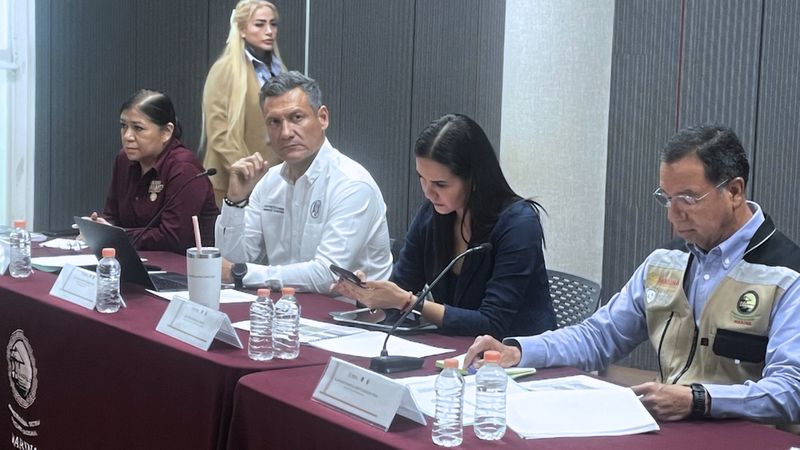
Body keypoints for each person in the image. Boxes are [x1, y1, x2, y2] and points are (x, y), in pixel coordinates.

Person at [464, 124, 800, 424]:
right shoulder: (666, 262)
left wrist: (700, 399)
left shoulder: (786, 276)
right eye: (666, 199)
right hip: (669, 430)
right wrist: (518, 351)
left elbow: (789, 390)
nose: (674, 215)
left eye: (687, 198)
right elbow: (599, 336)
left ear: (735, 191)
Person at [333, 114, 557, 339]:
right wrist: (371, 293)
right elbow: (402, 286)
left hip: (519, 358)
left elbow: (492, 323)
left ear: (474, 178)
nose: (428, 193)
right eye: (422, 178)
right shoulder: (432, 215)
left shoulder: (519, 224)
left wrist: (408, 302)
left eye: (440, 184)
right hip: (456, 350)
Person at [216, 71, 392, 293]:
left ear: (323, 118)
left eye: (296, 118)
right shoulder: (269, 181)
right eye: (274, 122)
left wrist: (241, 273)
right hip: (287, 309)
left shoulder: (352, 184)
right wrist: (235, 202)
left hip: (350, 318)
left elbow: (327, 275)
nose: (286, 132)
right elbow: (230, 263)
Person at [92, 89, 219, 254]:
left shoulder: (184, 168)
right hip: (137, 259)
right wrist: (98, 228)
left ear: (166, 132)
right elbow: (112, 217)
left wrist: (115, 236)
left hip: (185, 268)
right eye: (123, 126)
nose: (127, 136)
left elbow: (173, 238)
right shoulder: (124, 159)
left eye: (138, 128)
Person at [202, 0, 286, 206]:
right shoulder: (226, 69)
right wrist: (248, 172)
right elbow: (219, 132)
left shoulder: (279, 70)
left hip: (273, 184)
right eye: (259, 24)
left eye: (273, 24)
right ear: (241, 29)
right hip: (234, 183)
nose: (269, 31)